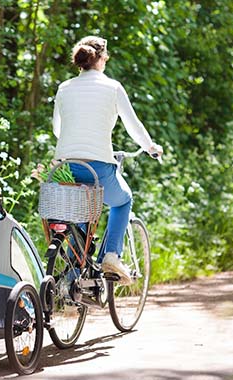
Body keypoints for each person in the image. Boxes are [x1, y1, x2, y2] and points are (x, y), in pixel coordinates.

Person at [52, 35, 163, 284]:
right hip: (99, 167)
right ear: (102, 59)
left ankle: (71, 281)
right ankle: (111, 255)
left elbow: (58, 130)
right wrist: (150, 147)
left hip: (66, 167)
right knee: (123, 201)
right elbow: (133, 125)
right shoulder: (112, 87)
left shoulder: (64, 88)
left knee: (81, 215)